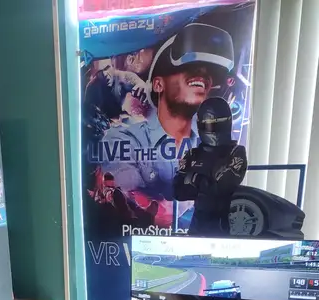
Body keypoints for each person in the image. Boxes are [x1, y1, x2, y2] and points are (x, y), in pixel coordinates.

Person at [99, 23, 234, 201]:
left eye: (209, 72)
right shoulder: (122, 139)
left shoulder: (213, 142)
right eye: (190, 67)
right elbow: (129, 199)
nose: (203, 74)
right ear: (158, 85)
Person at [173, 97, 247, 235]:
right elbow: (179, 192)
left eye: (216, 124)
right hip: (197, 225)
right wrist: (206, 181)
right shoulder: (193, 154)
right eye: (207, 124)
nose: (212, 129)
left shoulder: (236, 152)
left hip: (224, 225)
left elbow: (222, 188)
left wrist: (195, 179)